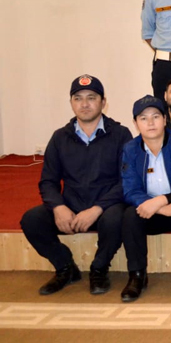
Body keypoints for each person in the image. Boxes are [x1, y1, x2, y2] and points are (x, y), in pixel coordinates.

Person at [20, 75, 132, 295]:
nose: (85, 104)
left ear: (103, 102)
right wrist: (58, 207)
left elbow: (126, 181)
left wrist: (97, 208)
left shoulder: (120, 134)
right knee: (31, 220)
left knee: (119, 218)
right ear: (71, 103)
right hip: (71, 205)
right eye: (78, 98)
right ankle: (65, 267)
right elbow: (48, 181)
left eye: (91, 98)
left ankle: (99, 269)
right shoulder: (60, 137)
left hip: (106, 206)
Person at [120, 96, 171, 302]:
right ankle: (137, 275)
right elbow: (129, 190)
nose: (151, 123)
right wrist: (159, 207)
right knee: (129, 215)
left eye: (156, 116)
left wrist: (165, 199)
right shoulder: (130, 149)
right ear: (135, 124)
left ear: (165, 119)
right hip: (150, 208)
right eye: (143, 118)